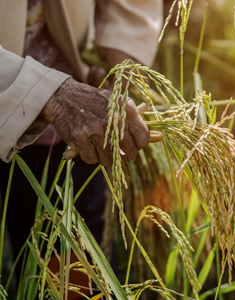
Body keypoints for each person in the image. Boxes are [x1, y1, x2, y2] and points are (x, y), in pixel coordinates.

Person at [0, 0, 163, 298]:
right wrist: (50, 94)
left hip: (74, 120)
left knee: (73, 278)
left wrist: (121, 54)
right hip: (63, 100)